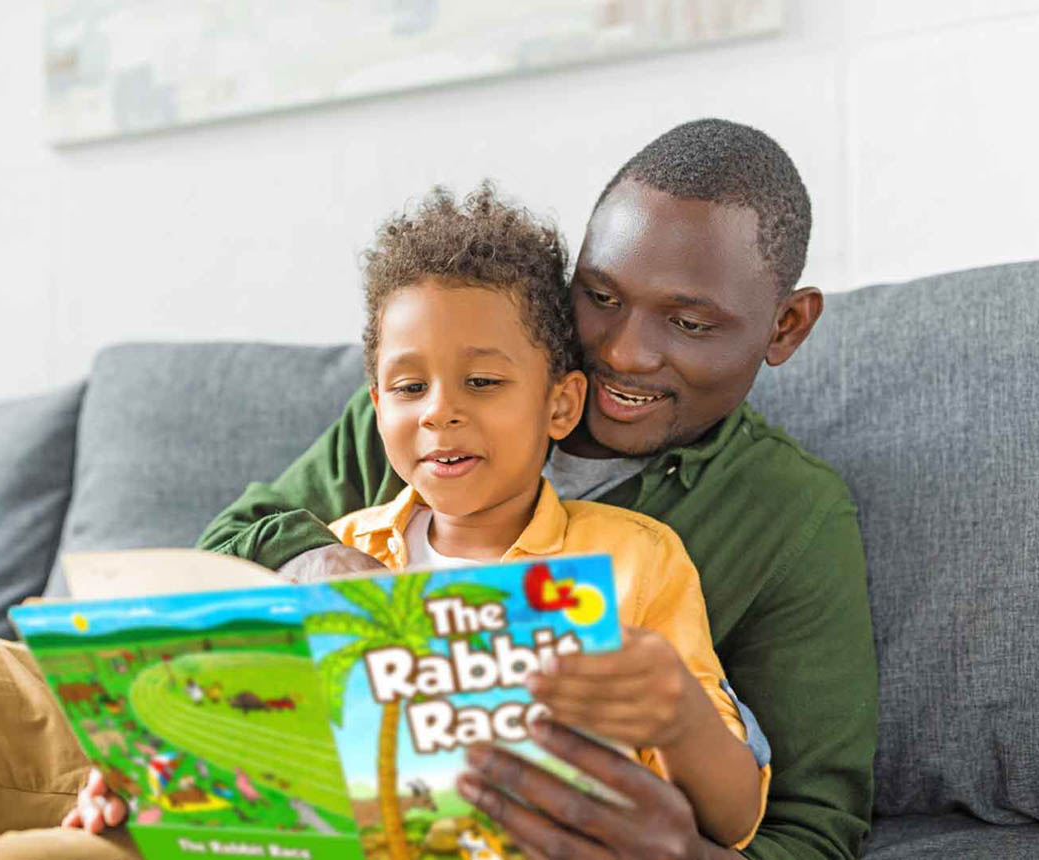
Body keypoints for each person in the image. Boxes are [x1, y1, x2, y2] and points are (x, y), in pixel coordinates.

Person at [197, 119, 878, 860]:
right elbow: (229, 550)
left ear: (785, 326)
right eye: (601, 296)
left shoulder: (772, 519)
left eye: (686, 322)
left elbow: (813, 831)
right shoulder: (419, 413)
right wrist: (322, 568)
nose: (623, 352)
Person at [66, 184, 774, 849]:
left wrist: (679, 713)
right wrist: (149, 778)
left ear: (560, 404)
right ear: (378, 409)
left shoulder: (634, 560)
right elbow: (255, 754)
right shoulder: (337, 556)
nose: (440, 411)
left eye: (483, 382)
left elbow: (734, 817)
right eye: (410, 386)